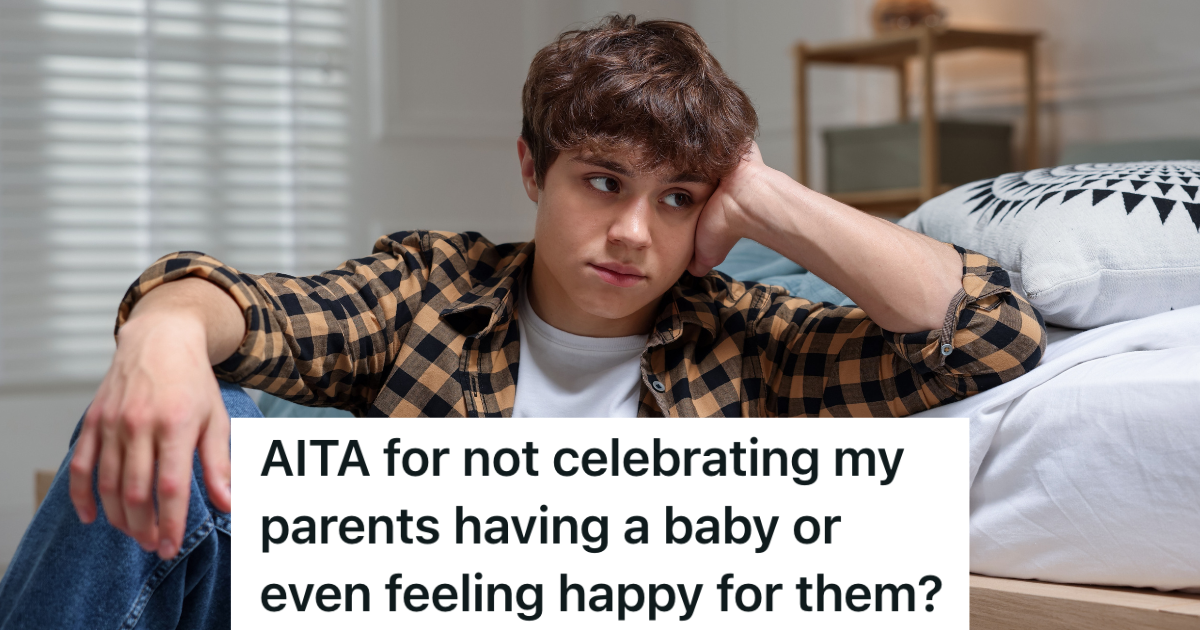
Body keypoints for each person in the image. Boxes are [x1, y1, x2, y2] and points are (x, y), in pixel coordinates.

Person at [0, 15, 1045, 628]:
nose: (634, 233)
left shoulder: (746, 337)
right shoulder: (433, 291)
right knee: (180, 435)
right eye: (602, 181)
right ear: (533, 170)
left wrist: (771, 199)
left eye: (677, 198)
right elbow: (257, 308)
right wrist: (163, 336)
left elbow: (987, 336)